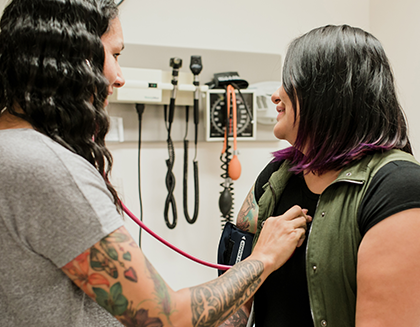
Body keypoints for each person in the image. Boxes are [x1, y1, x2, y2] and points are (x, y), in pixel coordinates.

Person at [0, 0, 311, 326]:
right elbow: (165, 317)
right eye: (115, 55)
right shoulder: (49, 169)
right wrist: (263, 257)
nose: (119, 78)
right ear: (72, 59)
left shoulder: (12, 149)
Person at [220, 25, 420, 327]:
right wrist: (258, 260)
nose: (276, 95)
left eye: (289, 82)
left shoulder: (397, 188)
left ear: (328, 93)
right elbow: (233, 307)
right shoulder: (276, 178)